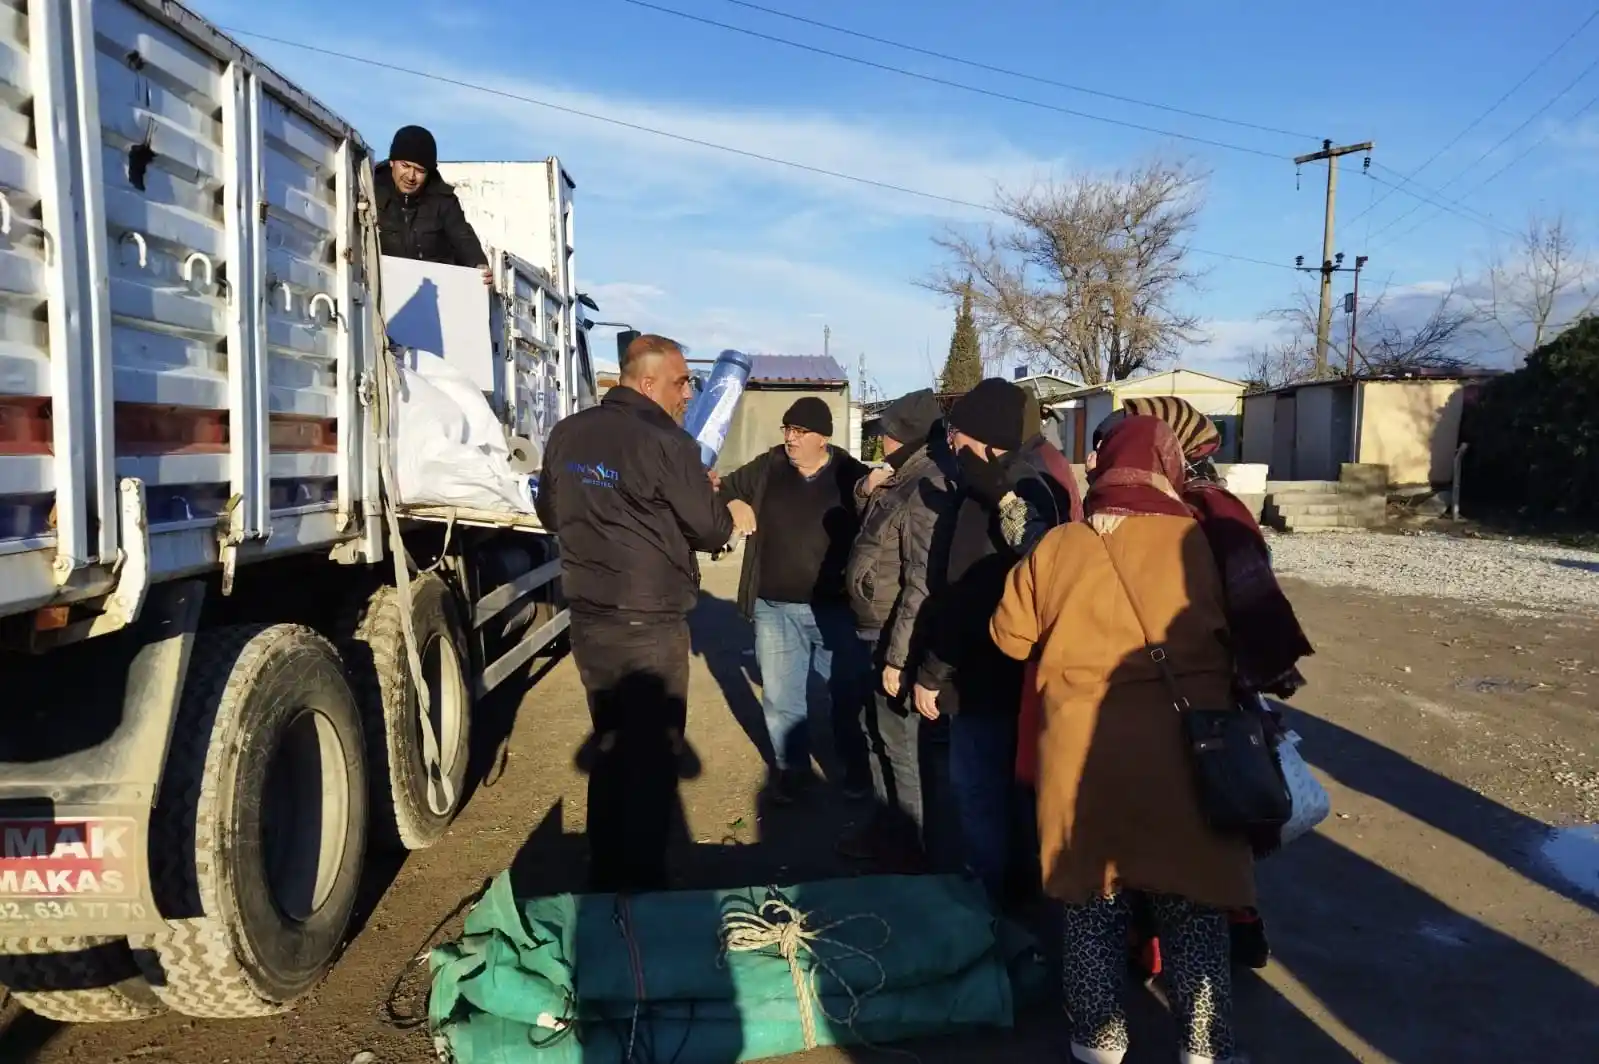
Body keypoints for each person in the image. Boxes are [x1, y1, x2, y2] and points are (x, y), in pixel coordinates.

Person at [990, 415, 1255, 1064]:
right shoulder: (1205, 545)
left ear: (1102, 469)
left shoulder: (1059, 547)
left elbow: (1008, 638)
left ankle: (1098, 1044)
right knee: (1193, 912)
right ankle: (1204, 1048)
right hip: (1189, 765)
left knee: (1090, 912)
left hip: (1084, 768)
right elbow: (1249, 642)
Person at [1110, 394, 1314, 971]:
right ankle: (1166, 938)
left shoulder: (1213, 511)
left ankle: (1230, 930)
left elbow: (1253, 600)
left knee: (1216, 813)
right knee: (1175, 822)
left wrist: (1257, 669)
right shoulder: (1148, 506)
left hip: (1207, 694)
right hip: (1158, 690)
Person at [535, 334, 733, 893]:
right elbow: (712, 528)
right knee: (650, 763)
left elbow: (551, 511)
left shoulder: (568, 432)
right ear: (646, 383)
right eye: (680, 382)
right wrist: (711, 497)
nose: (688, 395)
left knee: (613, 742)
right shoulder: (667, 442)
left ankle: (605, 871)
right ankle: (642, 892)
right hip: (648, 624)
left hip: (590, 619)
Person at [908, 378, 1081, 905]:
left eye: (957, 432)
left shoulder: (1007, 489)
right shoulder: (1020, 483)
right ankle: (1017, 908)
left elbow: (975, 591)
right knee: (1014, 803)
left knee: (981, 802)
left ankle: (989, 918)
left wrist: (933, 670)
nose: (951, 442)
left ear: (983, 436)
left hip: (986, 677)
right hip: (1017, 678)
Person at [715, 397, 872, 803]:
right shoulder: (769, 466)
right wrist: (734, 503)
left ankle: (856, 769)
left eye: (800, 432)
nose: (791, 438)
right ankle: (792, 771)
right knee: (782, 697)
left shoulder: (850, 474)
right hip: (774, 608)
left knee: (848, 693)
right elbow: (725, 485)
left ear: (824, 437)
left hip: (834, 610)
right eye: (787, 429)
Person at [839, 389, 950, 869]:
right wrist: (870, 490)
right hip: (874, 628)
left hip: (892, 636)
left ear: (904, 436)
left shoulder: (929, 486)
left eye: (885, 433)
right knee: (874, 733)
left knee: (901, 747)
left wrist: (898, 657)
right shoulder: (904, 479)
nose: (879, 441)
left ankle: (911, 850)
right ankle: (888, 830)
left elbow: (922, 580)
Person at [375, 125, 493, 284]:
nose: (411, 176)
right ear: (392, 162)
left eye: (420, 170)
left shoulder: (443, 200)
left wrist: (478, 265)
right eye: (405, 166)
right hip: (381, 293)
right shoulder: (369, 189)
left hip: (435, 296)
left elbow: (463, 238)